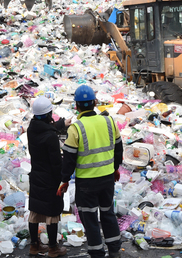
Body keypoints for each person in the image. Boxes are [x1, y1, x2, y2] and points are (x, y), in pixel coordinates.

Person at [57, 85, 124, 258]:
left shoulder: (76, 128)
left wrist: (64, 180)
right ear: (94, 103)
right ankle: (115, 251)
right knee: (108, 213)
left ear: (76, 106)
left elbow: (69, 159)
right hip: (107, 179)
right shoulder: (109, 121)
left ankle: (97, 254)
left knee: (91, 219)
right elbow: (118, 148)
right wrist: (115, 168)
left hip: (87, 183)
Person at [27, 96, 71, 257]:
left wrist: (61, 124)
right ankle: (53, 248)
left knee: (35, 212)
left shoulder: (31, 129)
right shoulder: (51, 137)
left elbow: (45, 127)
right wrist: (63, 179)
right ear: (49, 114)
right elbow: (55, 163)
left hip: (36, 175)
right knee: (52, 214)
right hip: (50, 179)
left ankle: (34, 245)